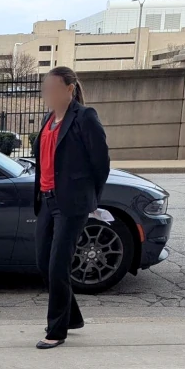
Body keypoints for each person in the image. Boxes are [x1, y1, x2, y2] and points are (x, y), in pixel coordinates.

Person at [33, 66, 109, 349]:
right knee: (43, 262)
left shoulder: (84, 117)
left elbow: (101, 163)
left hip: (71, 203)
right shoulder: (48, 118)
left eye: (52, 88)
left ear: (69, 89)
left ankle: (57, 331)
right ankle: (72, 316)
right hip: (47, 199)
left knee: (58, 265)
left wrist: (89, 198)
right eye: (45, 89)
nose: (47, 93)